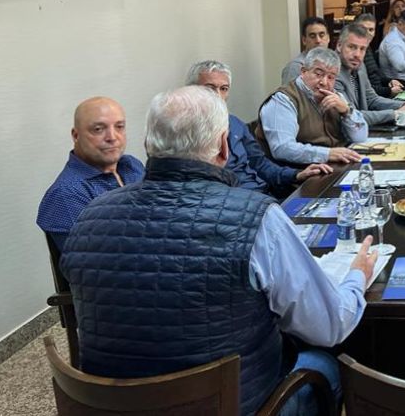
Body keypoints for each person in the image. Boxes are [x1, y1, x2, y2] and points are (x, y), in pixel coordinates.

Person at [61, 86, 378, 415]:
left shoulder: (89, 215)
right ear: (224, 147)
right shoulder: (258, 218)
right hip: (236, 406)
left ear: (147, 144)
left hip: (112, 407)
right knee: (328, 364)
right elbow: (329, 326)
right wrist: (357, 276)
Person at [187, 60, 332, 197]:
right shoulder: (185, 129)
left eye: (223, 89)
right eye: (210, 88)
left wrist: (297, 174)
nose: (218, 95)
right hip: (235, 201)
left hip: (265, 193)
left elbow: (261, 164)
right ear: (191, 90)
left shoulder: (236, 124)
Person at [37, 97, 145, 251]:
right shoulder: (66, 194)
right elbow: (93, 261)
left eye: (119, 127)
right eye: (98, 129)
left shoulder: (132, 165)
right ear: (76, 135)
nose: (112, 137)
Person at [257, 47, 366, 165]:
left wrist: (347, 112)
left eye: (331, 77)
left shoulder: (336, 96)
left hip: (336, 165)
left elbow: (360, 137)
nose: (324, 82)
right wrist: (328, 154)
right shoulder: (283, 100)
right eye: (318, 74)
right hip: (299, 172)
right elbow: (282, 149)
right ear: (303, 71)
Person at [334, 23, 405, 126]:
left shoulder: (359, 65)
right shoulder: (331, 73)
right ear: (339, 46)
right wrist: (395, 114)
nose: (357, 54)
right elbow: (351, 116)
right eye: (352, 47)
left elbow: (371, 99)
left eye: (362, 49)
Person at [354, 13, 405, 98]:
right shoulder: (355, 54)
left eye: (371, 30)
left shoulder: (368, 48)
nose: (368, 33)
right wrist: (389, 91)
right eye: (363, 29)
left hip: (380, 94)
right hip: (374, 98)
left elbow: (376, 75)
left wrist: (390, 81)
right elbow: (364, 89)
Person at [281, 16, 331, 85]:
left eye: (321, 35)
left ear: (328, 38)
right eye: (312, 36)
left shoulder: (332, 64)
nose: (318, 40)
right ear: (304, 40)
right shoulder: (295, 67)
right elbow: (289, 92)